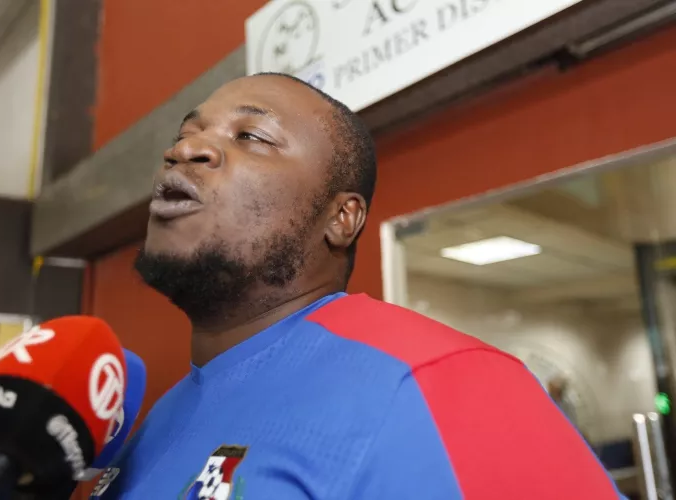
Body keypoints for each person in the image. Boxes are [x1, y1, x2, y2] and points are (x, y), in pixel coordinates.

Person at [90, 73, 623, 499]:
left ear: (341, 218)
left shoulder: (440, 382)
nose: (187, 150)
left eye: (250, 136)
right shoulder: (152, 420)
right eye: (183, 135)